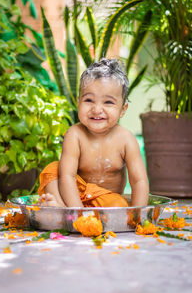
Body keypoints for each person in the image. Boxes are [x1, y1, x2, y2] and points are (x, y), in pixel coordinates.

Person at [38, 58, 149, 207]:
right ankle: (63, 208)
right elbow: (67, 176)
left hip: (105, 201)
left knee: (119, 204)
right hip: (73, 198)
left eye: (108, 102)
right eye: (89, 100)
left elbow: (139, 181)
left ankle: (64, 213)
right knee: (52, 170)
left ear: (123, 109)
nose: (97, 109)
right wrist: (78, 211)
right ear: (78, 102)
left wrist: (138, 213)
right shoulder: (75, 134)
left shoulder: (126, 139)